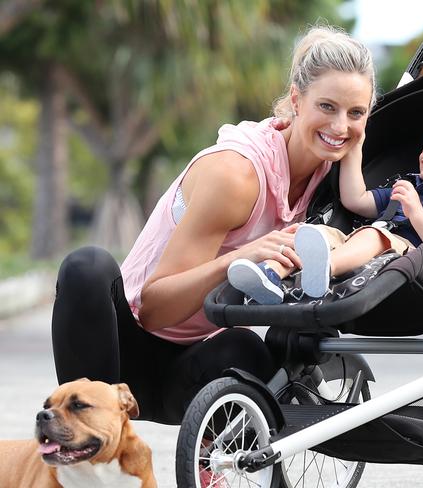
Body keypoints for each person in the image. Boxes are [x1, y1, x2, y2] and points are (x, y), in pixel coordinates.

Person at [51, 25, 376, 424]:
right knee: (87, 267)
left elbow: (375, 212)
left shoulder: (331, 174)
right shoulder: (236, 175)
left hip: (190, 370)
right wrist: (238, 259)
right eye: (327, 107)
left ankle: (217, 465)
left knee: (249, 350)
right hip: (121, 349)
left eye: (356, 113)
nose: (341, 127)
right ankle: (84, 441)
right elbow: (154, 310)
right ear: (296, 99)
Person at [228, 115, 423, 303]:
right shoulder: (407, 185)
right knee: (311, 232)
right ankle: (270, 274)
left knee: (374, 235)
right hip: (358, 242)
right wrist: (354, 151)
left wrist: (416, 213)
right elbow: (356, 200)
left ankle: (324, 270)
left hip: (409, 258)